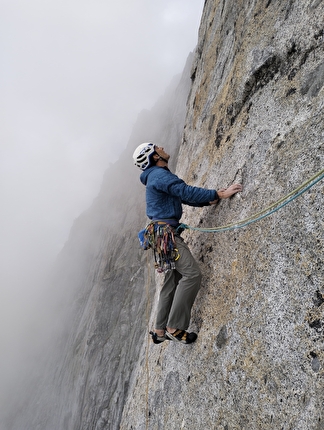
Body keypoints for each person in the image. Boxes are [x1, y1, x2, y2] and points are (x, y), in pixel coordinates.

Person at [133, 142, 242, 344]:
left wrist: (207, 200)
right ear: (154, 157)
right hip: (167, 235)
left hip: (160, 235)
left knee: (172, 281)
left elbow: (180, 196)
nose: (163, 147)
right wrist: (216, 194)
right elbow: (184, 192)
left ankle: (159, 330)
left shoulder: (155, 178)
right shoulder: (159, 175)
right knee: (192, 274)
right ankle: (174, 327)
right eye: (157, 147)